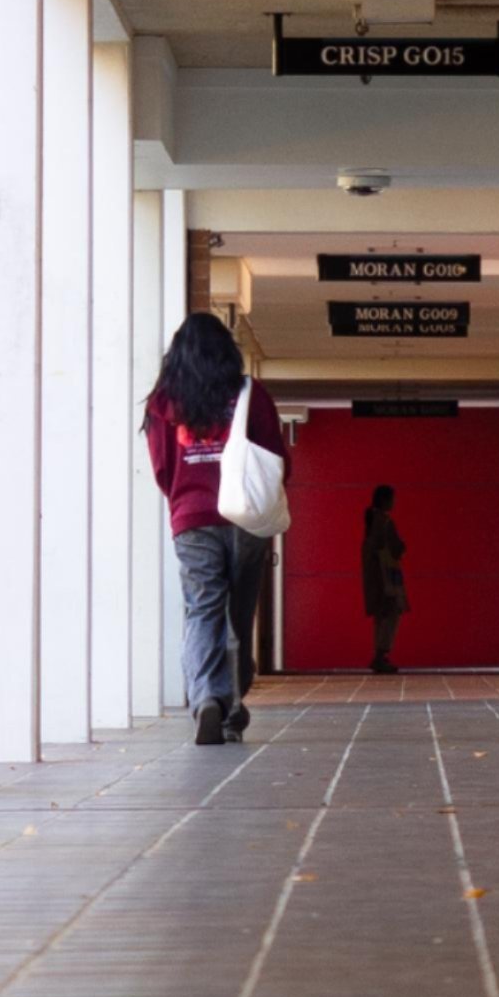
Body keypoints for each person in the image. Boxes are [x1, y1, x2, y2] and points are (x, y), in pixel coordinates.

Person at [143, 312, 288, 745]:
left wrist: (185, 501)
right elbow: (277, 457)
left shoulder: (164, 403)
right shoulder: (249, 394)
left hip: (192, 518)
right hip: (244, 518)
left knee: (203, 608)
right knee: (240, 613)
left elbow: (161, 468)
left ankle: (207, 696)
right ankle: (234, 705)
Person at [361, 484, 408, 674]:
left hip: (375, 576)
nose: (394, 502)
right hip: (387, 576)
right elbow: (394, 548)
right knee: (392, 612)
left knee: (381, 616)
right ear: (385, 500)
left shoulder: (372, 521)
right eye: (392, 498)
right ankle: (381, 654)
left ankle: (379, 655)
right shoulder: (384, 522)